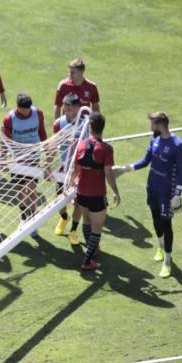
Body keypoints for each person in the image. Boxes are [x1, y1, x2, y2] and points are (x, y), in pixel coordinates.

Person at [113, 112, 182, 278]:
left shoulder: (177, 144)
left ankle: (167, 261)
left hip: (167, 191)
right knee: (155, 219)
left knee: (166, 224)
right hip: (152, 187)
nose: (150, 126)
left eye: (152, 123)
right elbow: (145, 161)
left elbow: (181, 171)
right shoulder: (154, 140)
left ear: (159, 124)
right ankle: (160, 247)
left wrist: (177, 194)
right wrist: (124, 169)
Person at [69, 112, 119, 271]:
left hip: (82, 193)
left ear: (89, 127)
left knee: (87, 222)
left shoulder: (81, 145)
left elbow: (74, 170)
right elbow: (108, 173)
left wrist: (70, 187)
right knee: (97, 227)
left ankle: (93, 250)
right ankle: (87, 260)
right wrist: (116, 191)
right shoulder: (106, 149)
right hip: (97, 194)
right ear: (102, 128)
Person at [2, 93, 49, 231]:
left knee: (32, 189)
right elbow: (5, 140)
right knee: (21, 190)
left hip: (34, 158)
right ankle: (23, 217)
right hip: (18, 160)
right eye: (24, 110)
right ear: (18, 107)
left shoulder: (38, 113)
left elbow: (42, 133)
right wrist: (3, 158)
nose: (27, 112)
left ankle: (33, 220)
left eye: (28, 109)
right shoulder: (9, 119)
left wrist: (47, 153)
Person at [52, 93, 88, 243]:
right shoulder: (59, 123)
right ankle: (64, 218)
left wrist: (79, 146)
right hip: (64, 167)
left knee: (78, 201)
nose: (67, 112)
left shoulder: (86, 123)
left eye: (70, 109)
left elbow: (91, 144)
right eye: (65, 109)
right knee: (60, 198)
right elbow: (53, 143)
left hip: (80, 169)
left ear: (78, 108)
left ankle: (73, 230)